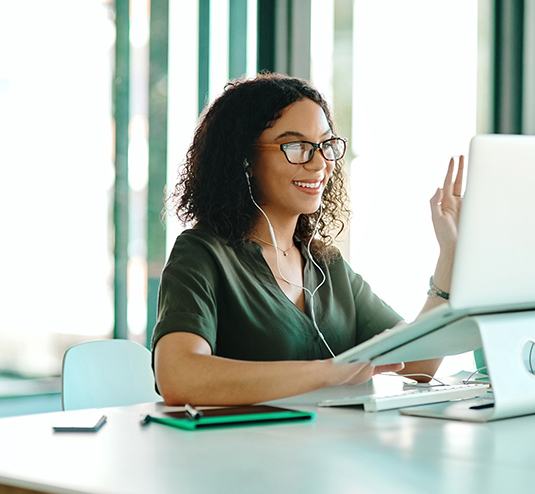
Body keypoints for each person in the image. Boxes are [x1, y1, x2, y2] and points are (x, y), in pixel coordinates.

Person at [152, 72, 464, 406]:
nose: (319, 163)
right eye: (297, 146)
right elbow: (179, 377)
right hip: (240, 454)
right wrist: (330, 371)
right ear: (244, 160)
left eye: (326, 145)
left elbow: (416, 366)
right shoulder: (203, 253)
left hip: (324, 453)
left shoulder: (327, 266)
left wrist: (451, 253)